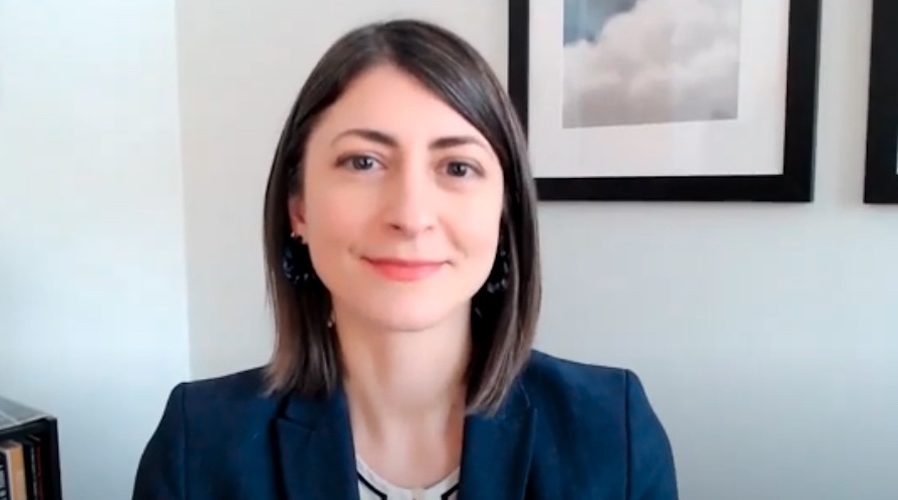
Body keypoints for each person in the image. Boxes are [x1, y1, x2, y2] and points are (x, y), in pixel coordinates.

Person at [131, 17, 678, 500]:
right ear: (298, 207)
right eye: (364, 162)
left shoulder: (612, 431)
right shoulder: (199, 442)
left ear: (504, 214)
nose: (411, 215)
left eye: (457, 168)